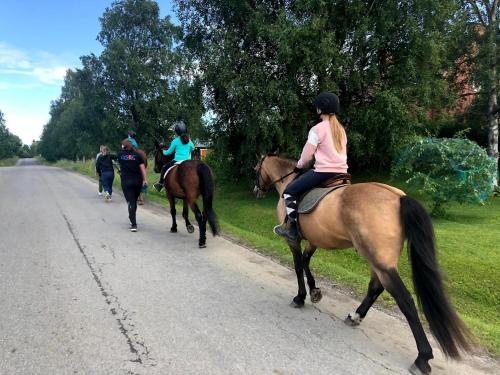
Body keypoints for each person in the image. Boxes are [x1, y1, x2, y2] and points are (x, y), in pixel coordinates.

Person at [273, 92, 348, 241]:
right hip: (342, 172)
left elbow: (307, 156)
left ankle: (292, 230)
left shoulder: (317, 129)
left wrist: (299, 166)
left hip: (323, 172)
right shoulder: (340, 129)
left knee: (289, 191)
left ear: (320, 109)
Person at [153, 121, 195, 192]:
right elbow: (192, 148)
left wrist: (162, 151)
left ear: (176, 132)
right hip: (188, 161)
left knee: (164, 168)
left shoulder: (175, 141)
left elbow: (168, 152)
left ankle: (160, 184)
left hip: (177, 161)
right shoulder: (189, 140)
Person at [117, 139, 148, 232]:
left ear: (123, 146)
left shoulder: (120, 155)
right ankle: (132, 219)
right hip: (137, 181)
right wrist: (145, 180)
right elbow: (143, 169)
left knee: (130, 202)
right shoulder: (137, 155)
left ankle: (133, 224)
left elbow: (120, 165)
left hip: (126, 181)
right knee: (133, 200)